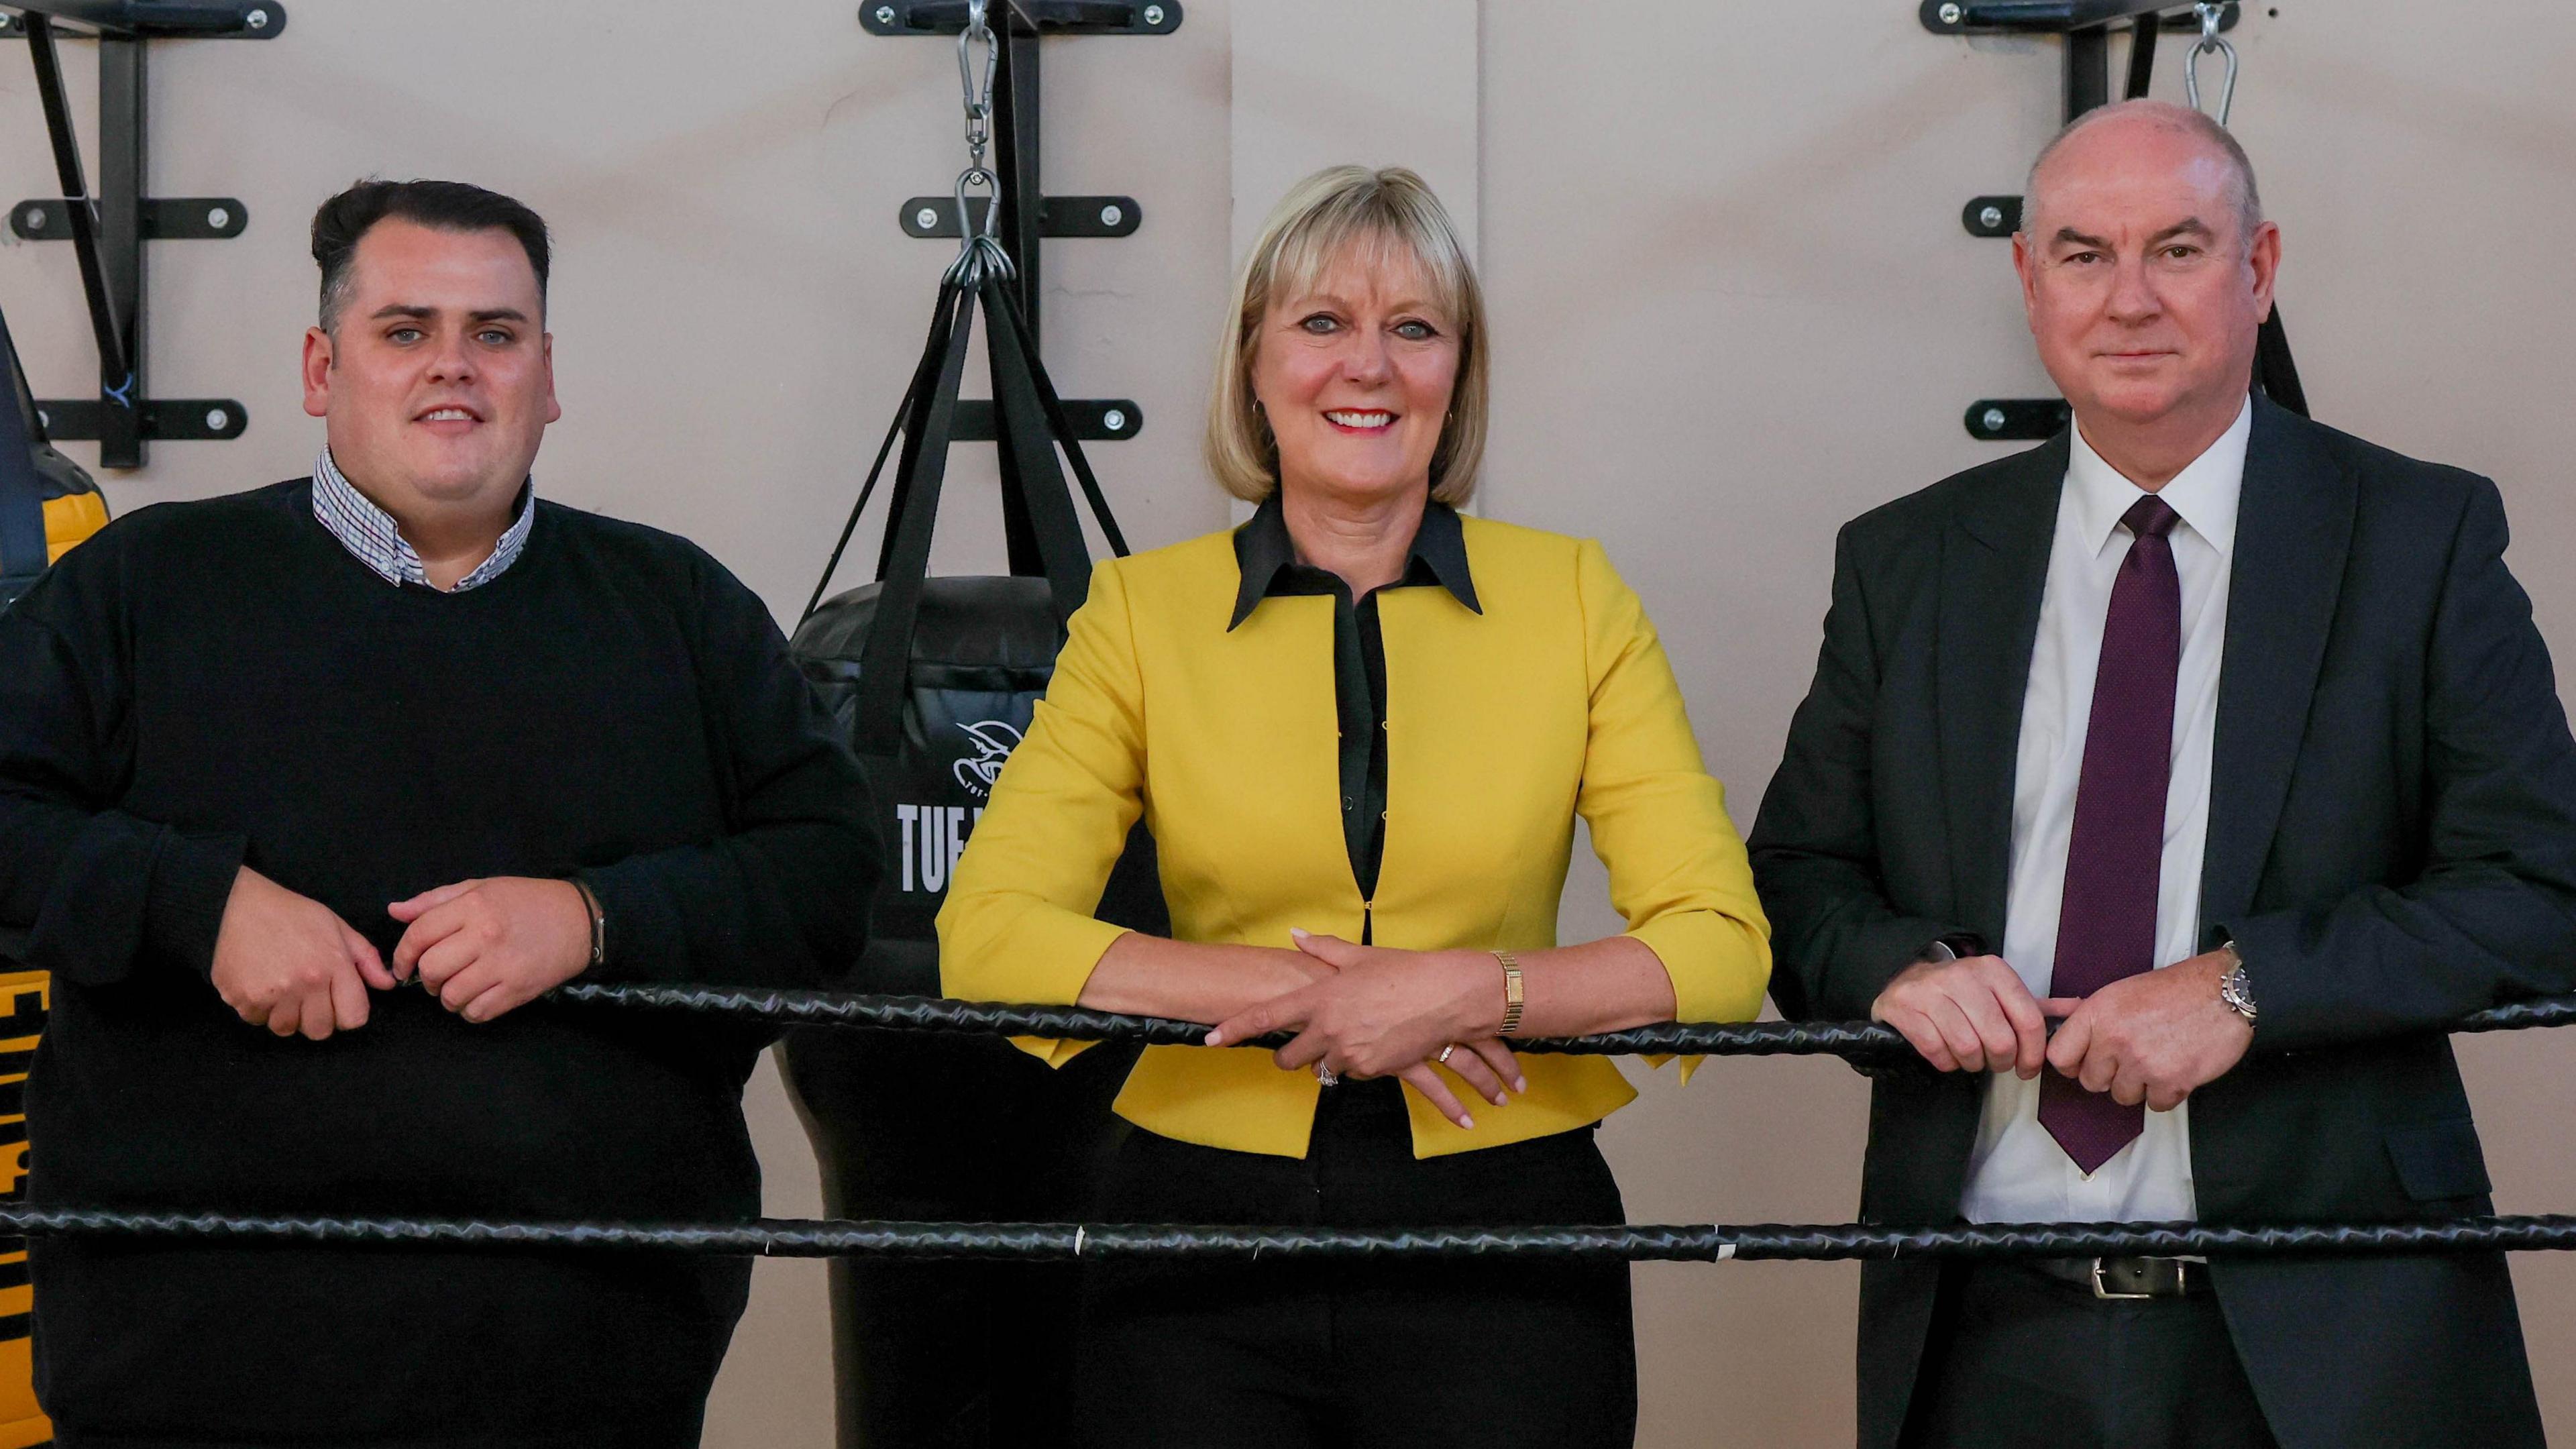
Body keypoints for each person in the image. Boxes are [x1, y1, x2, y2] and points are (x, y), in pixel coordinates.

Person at [1750, 99, 2576, 1449]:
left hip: (2335, 1338)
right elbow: (1795, 880)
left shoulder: (2417, 538)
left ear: (2259, 270)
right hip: (1982, 1338)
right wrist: (1901, 969)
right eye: (2083, 254)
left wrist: (2253, 985)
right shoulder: (1907, 565)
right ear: (2029, 283)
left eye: (2178, 249)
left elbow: (2545, 884)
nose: (2128, 298)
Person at [0, 179, 879, 1448]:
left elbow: (830, 878)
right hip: (192, 1345)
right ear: (321, 366)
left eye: (496, 333)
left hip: (589, 1349)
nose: (452, 368)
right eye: (404, 331)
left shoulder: (679, 606)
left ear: (549, 374)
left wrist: (597, 918)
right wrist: (199, 903)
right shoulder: (143, 583)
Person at [937, 164, 1770, 1448]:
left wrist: (1467, 993)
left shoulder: (1575, 598)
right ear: (1257, 368)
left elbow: (1720, 949)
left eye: (1415, 328)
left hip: (1508, 1222)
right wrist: (1319, 999)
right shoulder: (1142, 615)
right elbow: (987, 941)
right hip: (1190, 1234)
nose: (1366, 366)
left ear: (1458, 373)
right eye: (1322, 323)